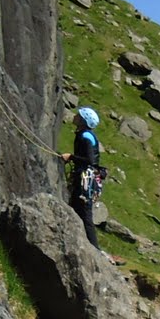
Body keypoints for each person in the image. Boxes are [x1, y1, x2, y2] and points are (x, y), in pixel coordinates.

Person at [61, 105, 103, 250]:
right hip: (87, 177)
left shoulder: (85, 136)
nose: (75, 116)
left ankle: (94, 249)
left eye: (79, 115)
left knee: (84, 213)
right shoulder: (85, 134)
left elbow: (90, 160)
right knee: (77, 208)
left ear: (83, 120)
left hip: (86, 179)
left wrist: (71, 157)